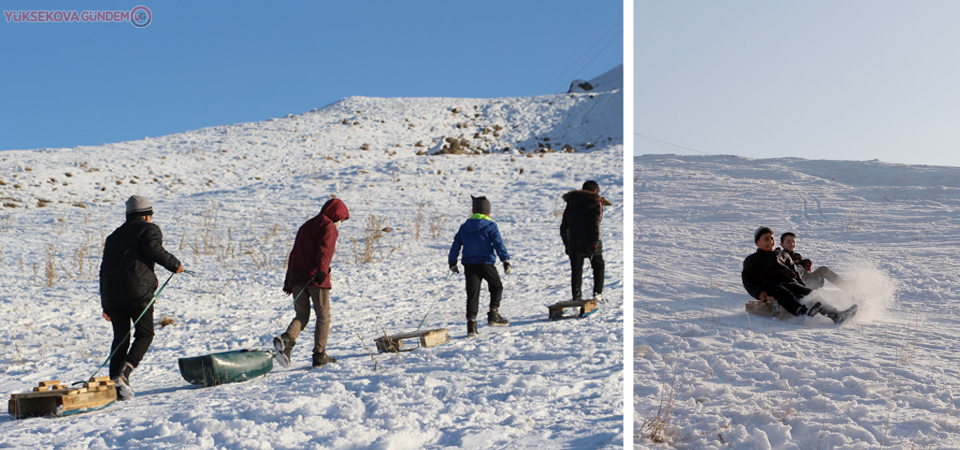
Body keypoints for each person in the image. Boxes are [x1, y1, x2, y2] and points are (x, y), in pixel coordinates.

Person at [100, 195, 184, 400]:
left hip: (113, 294)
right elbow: (153, 249)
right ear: (147, 216)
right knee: (145, 334)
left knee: (121, 337)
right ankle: (123, 374)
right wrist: (175, 265)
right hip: (139, 292)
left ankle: (114, 385)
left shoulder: (113, 236)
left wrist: (106, 304)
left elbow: (104, 269)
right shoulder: (149, 229)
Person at [274, 198, 350, 369]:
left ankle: (287, 340)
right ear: (337, 215)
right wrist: (322, 271)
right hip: (316, 279)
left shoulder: (306, 225)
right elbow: (325, 249)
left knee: (302, 315)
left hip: (297, 278)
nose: (341, 223)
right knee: (323, 316)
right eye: (342, 219)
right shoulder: (328, 226)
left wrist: (289, 280)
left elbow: (294, 254)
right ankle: (319, 354)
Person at [742, 227, 856, 324]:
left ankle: (836, 315)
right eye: (766, 239)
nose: (770, 242)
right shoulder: (752, 259)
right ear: (757, 243)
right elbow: (748, 280)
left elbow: (795, 272)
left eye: (772, 238)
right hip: (770, 286)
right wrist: (758, 292)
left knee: (811, 294)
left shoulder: (782, 254)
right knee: (782, 292)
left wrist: (801, 285)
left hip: (790, 282)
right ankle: (801, 312)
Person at [449, 196, 512, 337]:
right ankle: (493, 314)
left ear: (474, 211)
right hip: (486, 264)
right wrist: (505, 260)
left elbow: (456, 244)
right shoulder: (490, 226)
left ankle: (471, 325)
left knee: (473, 294)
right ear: (487, 212)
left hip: (470, 265)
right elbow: (498, 244)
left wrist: (452, 262)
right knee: (497, 287)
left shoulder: (464, 227)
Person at [560, 180, 610, 303]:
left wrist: (567, 244)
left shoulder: (571, 203)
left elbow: (563, 227)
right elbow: (595, 224)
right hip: (590, 243)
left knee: (576, 271)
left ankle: (576, 297)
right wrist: (595, 242)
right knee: (599, 266)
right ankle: (597, 293)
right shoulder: (595, 202)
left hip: (574, 245)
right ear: (594, 191)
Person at [779, 232, 850, 290]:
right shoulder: (780, 256)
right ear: (782, 244)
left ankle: (844, 286)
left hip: (807, 280)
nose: (792, 244)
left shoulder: (797, 256)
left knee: (823, 269)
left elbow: (804, 272)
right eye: (788, 242)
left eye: (793, 242)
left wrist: (805, 266)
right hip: (795, 284)